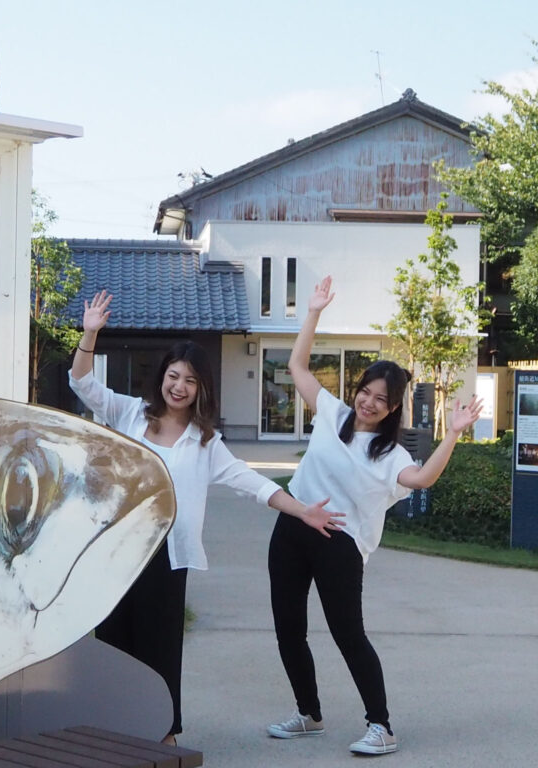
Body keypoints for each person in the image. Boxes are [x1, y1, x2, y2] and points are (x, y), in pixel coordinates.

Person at [69, 289, 343, 745]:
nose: (179, 386)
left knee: (160, 646)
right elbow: (82, 382)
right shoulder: (129, 412)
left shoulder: (204, 441)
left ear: (201, 389)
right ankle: (114, 730)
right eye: (173, 376)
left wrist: (301, 510)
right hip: (117, 548)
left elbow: (251, 482)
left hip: (167, 554)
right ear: (163, 377)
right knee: (114, 640)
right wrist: (90, 334)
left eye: (190, 381)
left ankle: (164, 732)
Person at [266, 275, 482, 755]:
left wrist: (453, 433)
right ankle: (309, 714)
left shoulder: (390, 455)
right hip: (293, 527)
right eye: (366, 391)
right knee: (288, 628)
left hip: (339, 543)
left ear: (393, 408)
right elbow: (297, 364)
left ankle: (381, 726)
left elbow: (422, 479)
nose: (368, 402)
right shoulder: (332, 413)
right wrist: (313, 311)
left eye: (381, 399)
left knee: (348, 634)